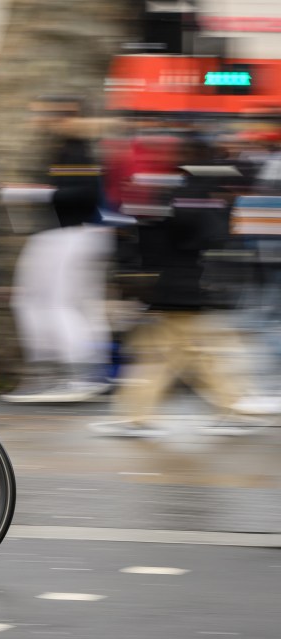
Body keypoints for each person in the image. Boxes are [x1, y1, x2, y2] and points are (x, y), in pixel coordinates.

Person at [91, 134, 280, 436]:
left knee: (168, 356)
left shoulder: (174, 195)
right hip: (193, 289)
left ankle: (139, 418)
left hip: (177, 289)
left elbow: (157, 240)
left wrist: (138, 273)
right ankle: (229, 409)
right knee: (189, 355)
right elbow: (215, 240)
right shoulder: (206, 197)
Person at [0, 96, 114, 403]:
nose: (38, 120)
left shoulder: (75, 148)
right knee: (53, 303)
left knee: (51, 304)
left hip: (69, 234)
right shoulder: (72, 146)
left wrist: (38, 194)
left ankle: (70, 375)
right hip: (71, 234)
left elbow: (83, 195)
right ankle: (70, 374)